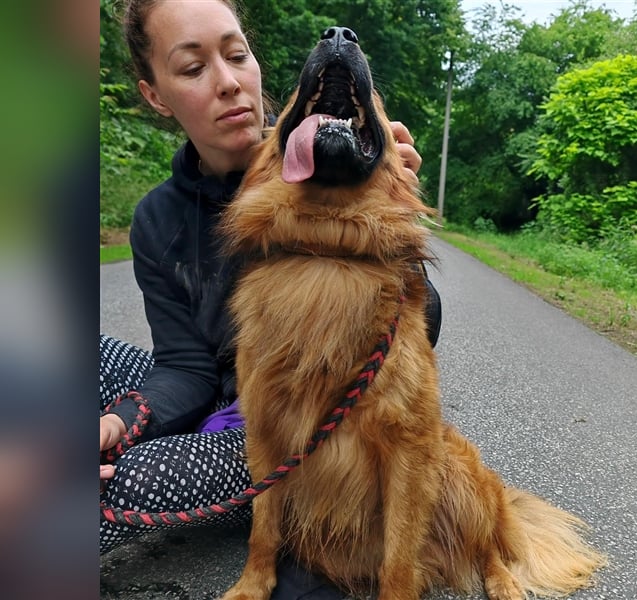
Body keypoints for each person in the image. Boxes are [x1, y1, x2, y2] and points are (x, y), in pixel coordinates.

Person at [99, 0, 441, 595]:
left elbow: (423, 319)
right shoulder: (157, 219)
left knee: (112, 484)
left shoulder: (334, 155)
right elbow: (183, 366)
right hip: (216, 392)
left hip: (274, 429)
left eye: (237, 55)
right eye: (192, 67)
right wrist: (122, 418)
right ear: (155, 94)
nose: (230, 83)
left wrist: (386, 199)